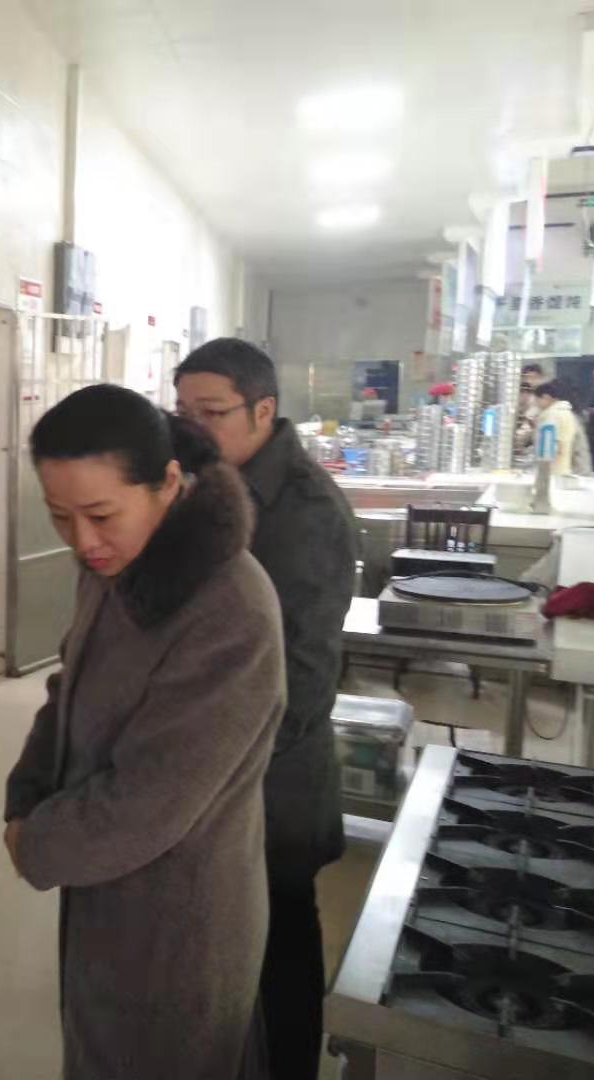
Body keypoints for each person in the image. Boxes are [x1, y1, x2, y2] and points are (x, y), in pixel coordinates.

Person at [3, 385, 285, 1080]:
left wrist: (36, 841)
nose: (82, 541)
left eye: (101, 515)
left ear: (167, 483)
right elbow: (69, 686)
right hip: (103, 886)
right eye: (60, 516)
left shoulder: (229, 607)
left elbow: (152, 797)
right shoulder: (115, 564)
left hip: (181, 916)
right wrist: (26, 792)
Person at [175, 338, 357, 1080]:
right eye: (181, 411)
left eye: (210, 413)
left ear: (263, 410)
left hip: (270, 782)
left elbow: (301, 683)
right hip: (215, 767)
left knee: (281, 941)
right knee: (223, 945)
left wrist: (214, 768)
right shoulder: (207, 485)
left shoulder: (305, 511)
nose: (190, 428)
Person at [532, 380, 593, 476]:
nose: (536, 405)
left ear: (546, 397)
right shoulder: (566, 413)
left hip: (556, 469)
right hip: (568, 468)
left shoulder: (552, 415)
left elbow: (550, 447)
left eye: (537, 401)